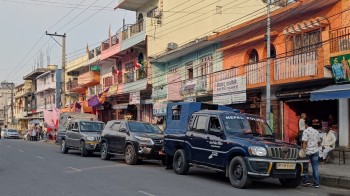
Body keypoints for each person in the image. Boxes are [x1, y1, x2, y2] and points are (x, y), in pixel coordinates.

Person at [302, 119, 320, 188]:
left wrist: (303, 151)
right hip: (315, 151)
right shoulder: (316, 131)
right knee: (315, 168)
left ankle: (306, 181)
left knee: (305, 167)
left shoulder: (306, 131)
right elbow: (319, 142)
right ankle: (316, 183)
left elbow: (305, 142)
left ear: (306, 124)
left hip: (307, 151)